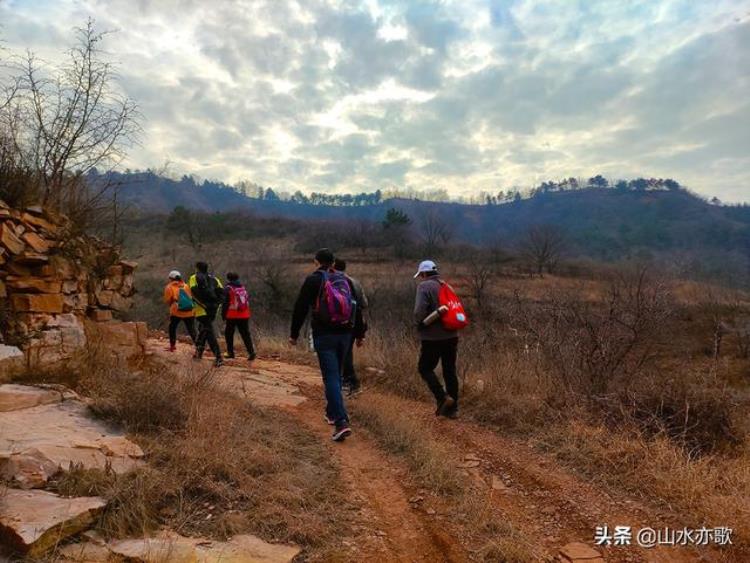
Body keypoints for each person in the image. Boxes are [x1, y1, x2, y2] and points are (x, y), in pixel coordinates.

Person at [289, 248, 366, 442]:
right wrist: (359, 334)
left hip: (324, 335)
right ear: (333, 263)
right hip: (345, 334)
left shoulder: (313, 280)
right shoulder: (346, 280)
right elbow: (356, 308)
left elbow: (300, 308)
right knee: (337, 375)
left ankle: (341, 422)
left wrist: (294, 334)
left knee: (331, 376)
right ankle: (332, 413)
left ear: (316, 262)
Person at [413, 259, 459, 418]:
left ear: (424, 273)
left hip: (432, 337)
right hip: (452, 335)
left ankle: (442, 398)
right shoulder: (447, 285)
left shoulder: (424, 286)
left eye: (421, 275)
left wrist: (419, 323)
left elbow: (419, 312)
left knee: (424, 368)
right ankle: (452, 410)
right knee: (450, 371)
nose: (421, 278)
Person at [333, 258, 368, 396]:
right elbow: (364, 303)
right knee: (347, 353)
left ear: (334, 267)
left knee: (343, 354)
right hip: (356, 322)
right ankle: (349, 383)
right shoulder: (355, 282)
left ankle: (351, 383)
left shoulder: (335, 282)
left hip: (342, 323)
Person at [189, 261, 224, 367]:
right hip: (213, 310)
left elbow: (193, 293)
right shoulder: (215, 279)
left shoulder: (194, 278)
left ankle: (218, 357)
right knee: (203, 329)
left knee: (208, 332)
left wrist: (204, 305)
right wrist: (215, 306)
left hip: (202, 310)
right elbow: (222, 294)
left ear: (197, 268)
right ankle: (198, 353)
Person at [221, 272, 256, 362]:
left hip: (232, 315)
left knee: (229, 334)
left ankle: (230, 353)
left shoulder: (228, 288)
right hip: (244, 314)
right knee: (245, 334)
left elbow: (225, 304)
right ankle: (251, 352)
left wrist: (223, 315)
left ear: (228, 279)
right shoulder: (242, 287)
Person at [162, 270, 197, 351]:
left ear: (171, 278)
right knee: (192, 329)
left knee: (172, 327)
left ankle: (172, 346)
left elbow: (168, 300)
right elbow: (191, 297)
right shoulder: (186, 286)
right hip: (189, 311)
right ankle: (198, 346)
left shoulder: (169, 287)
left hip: (176, 311)